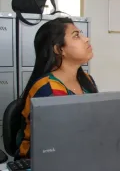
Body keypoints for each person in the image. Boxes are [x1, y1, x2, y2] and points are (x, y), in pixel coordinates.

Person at [16, 17, 98, 159]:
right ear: (59, 49)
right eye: (76, 36)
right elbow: (60, 141)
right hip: (41, 161)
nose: (86, 39)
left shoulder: (86, 80)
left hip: (77, 153)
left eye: (81, 33)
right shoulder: (48, 88)